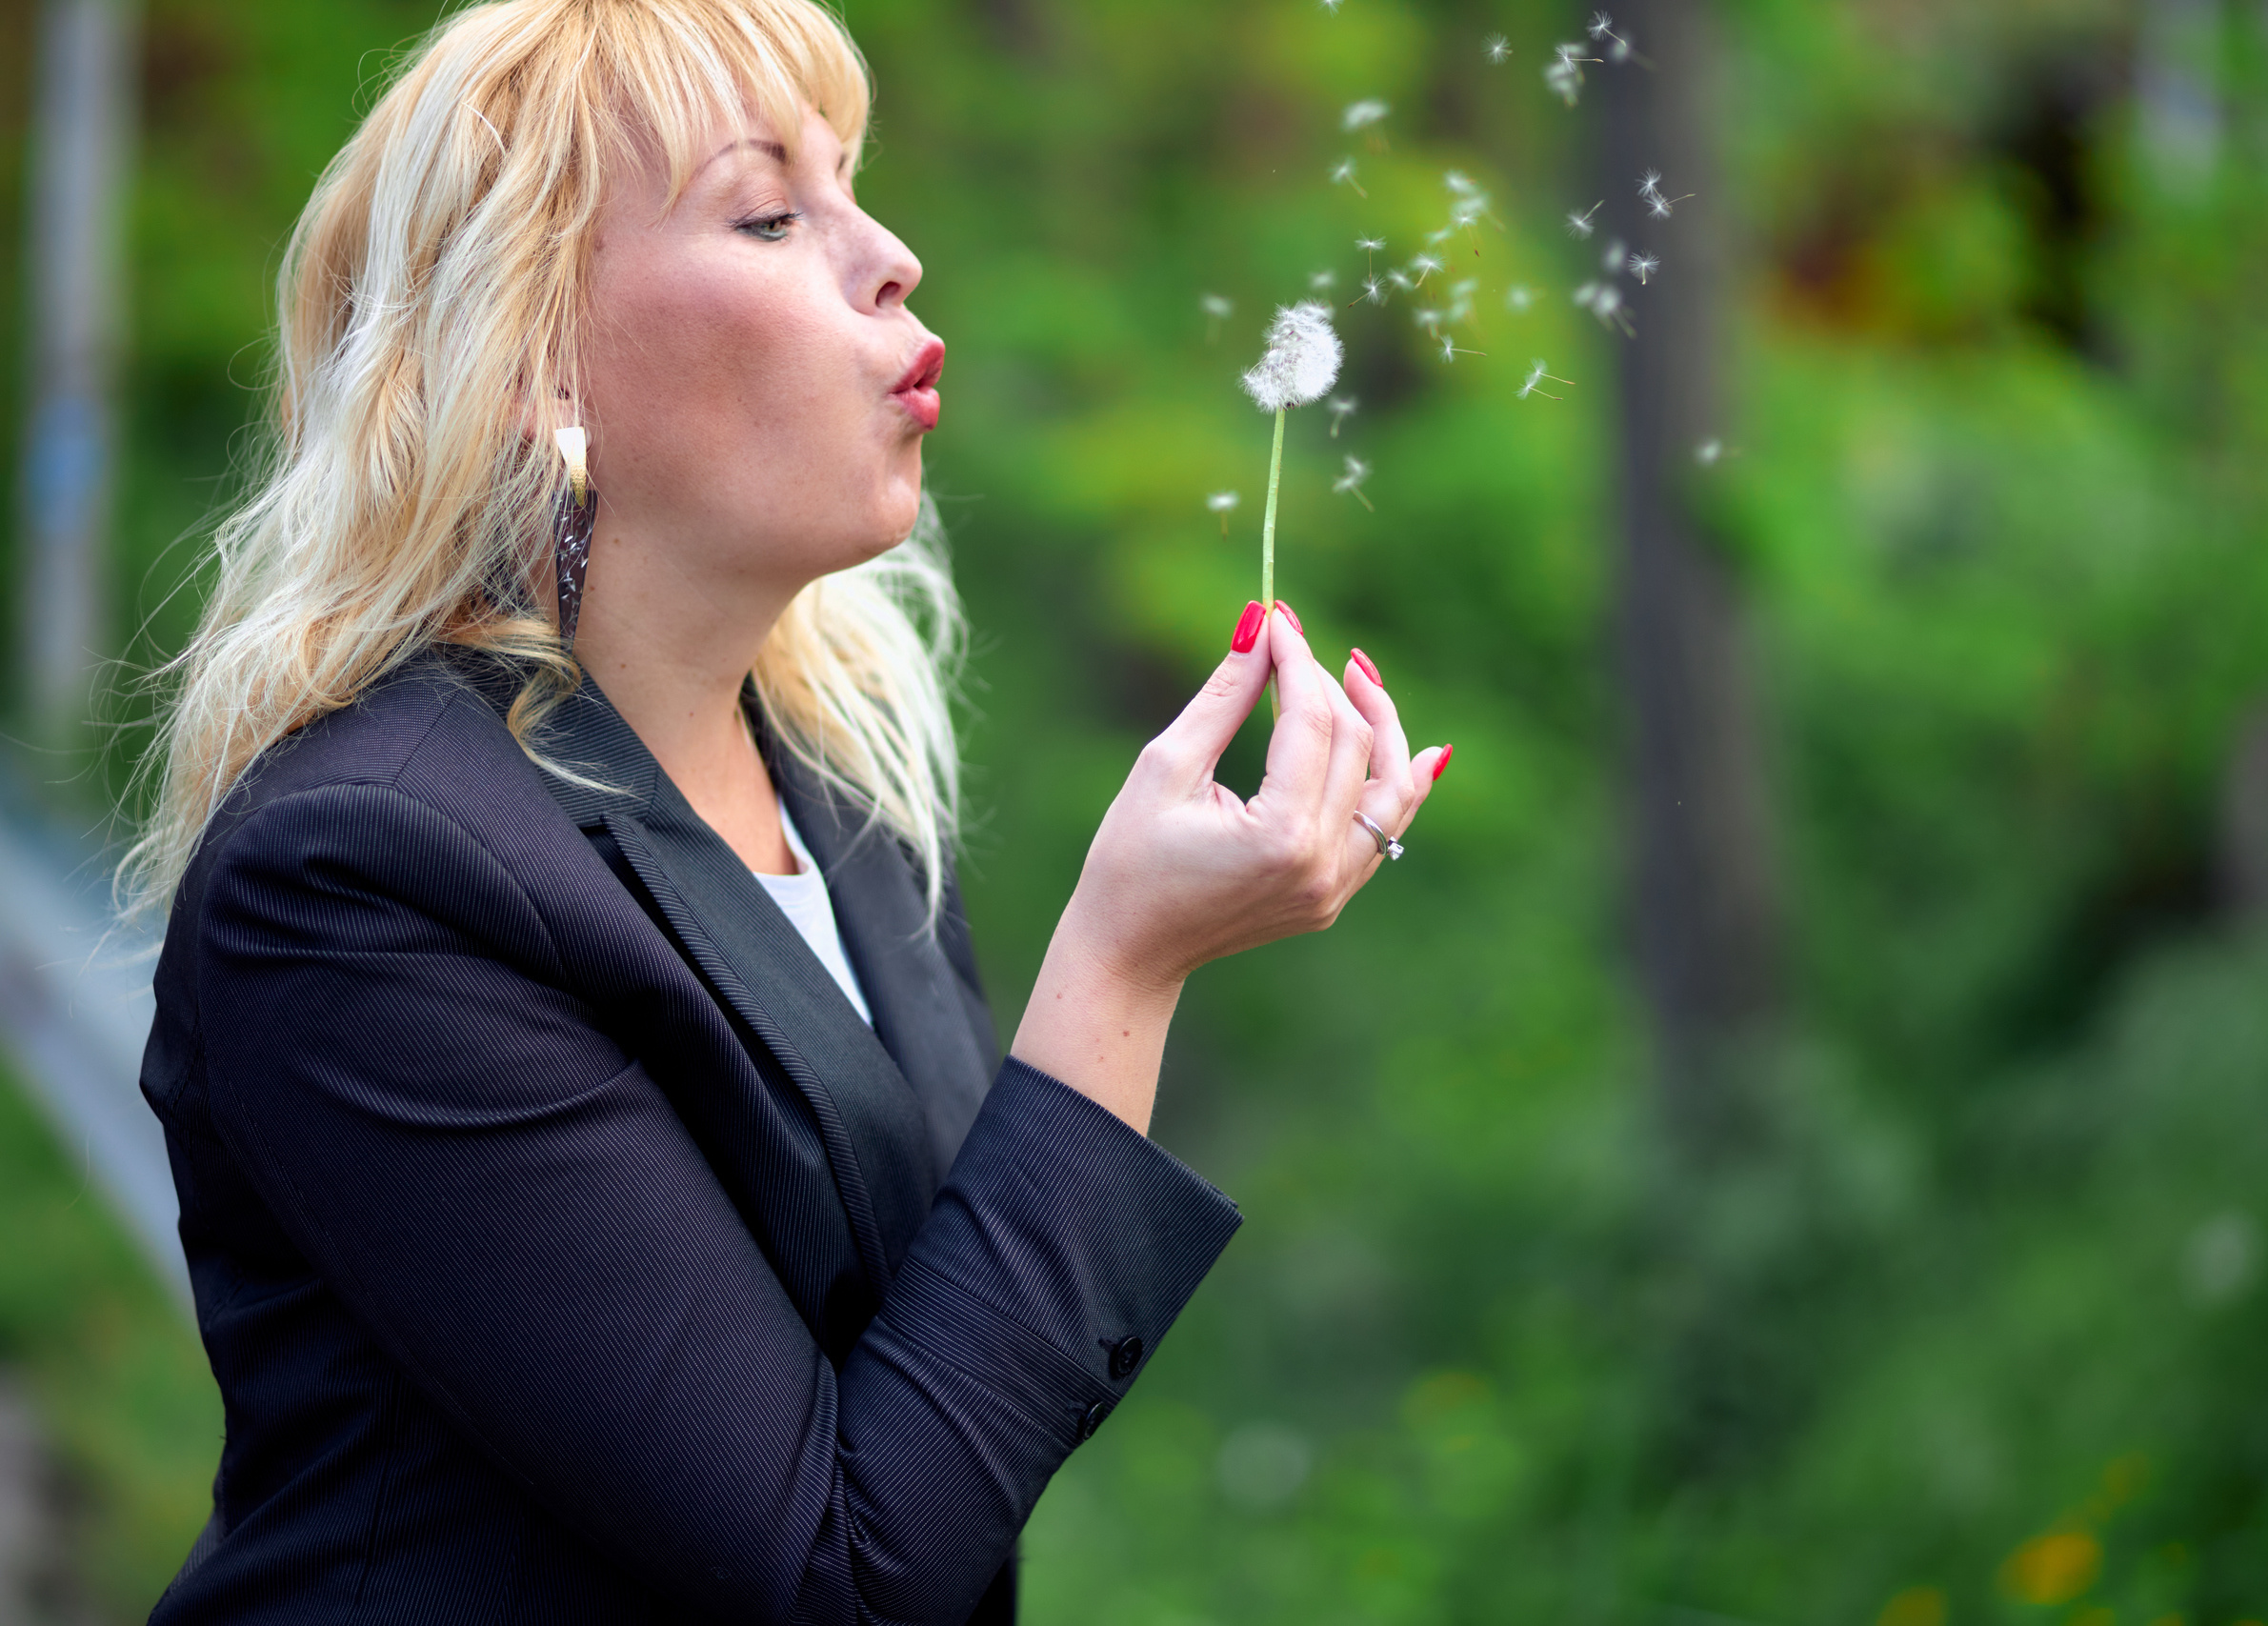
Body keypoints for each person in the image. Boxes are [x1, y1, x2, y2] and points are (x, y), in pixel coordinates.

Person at [127, 2, 1447, 1622]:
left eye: (857, 189)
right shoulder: (363, 875)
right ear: (535, 355)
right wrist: (1123, 966)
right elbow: (839, 1574)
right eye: (769, 213)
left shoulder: (849, 794)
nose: (890, 256)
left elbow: (944, 1407)